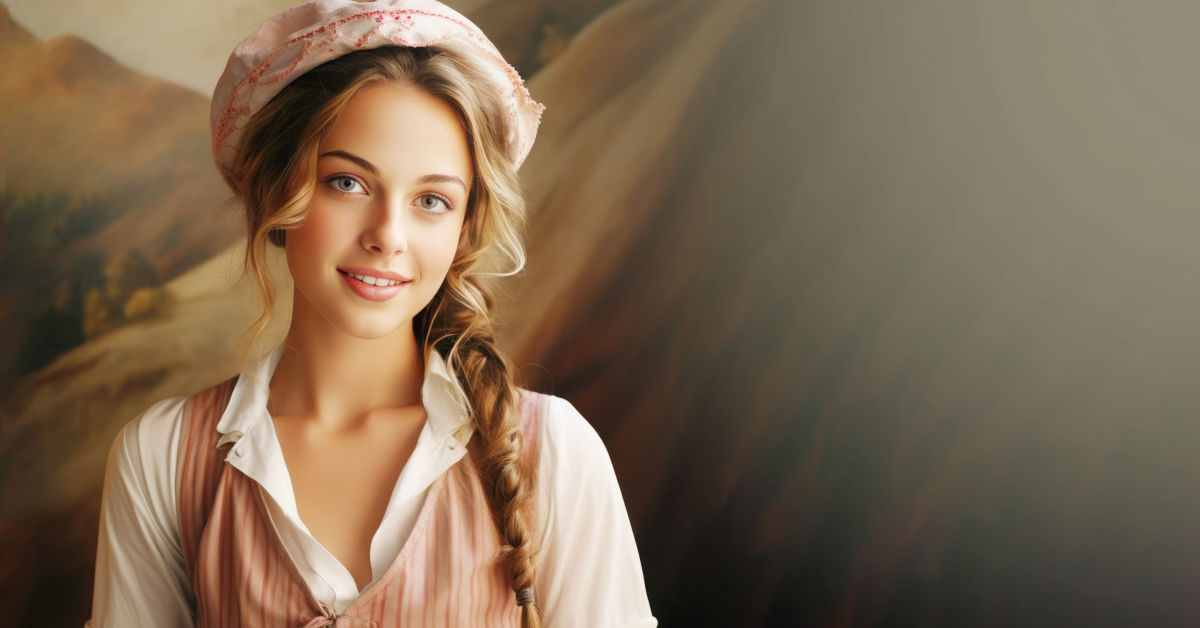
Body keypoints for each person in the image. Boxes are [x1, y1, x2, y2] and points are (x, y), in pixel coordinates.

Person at [85, 1, 656, 626]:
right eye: (348, 183)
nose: (388, 235)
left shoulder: (555, 451)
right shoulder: (161, 457)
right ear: (279, 189)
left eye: (432, 200)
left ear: (464, 229)